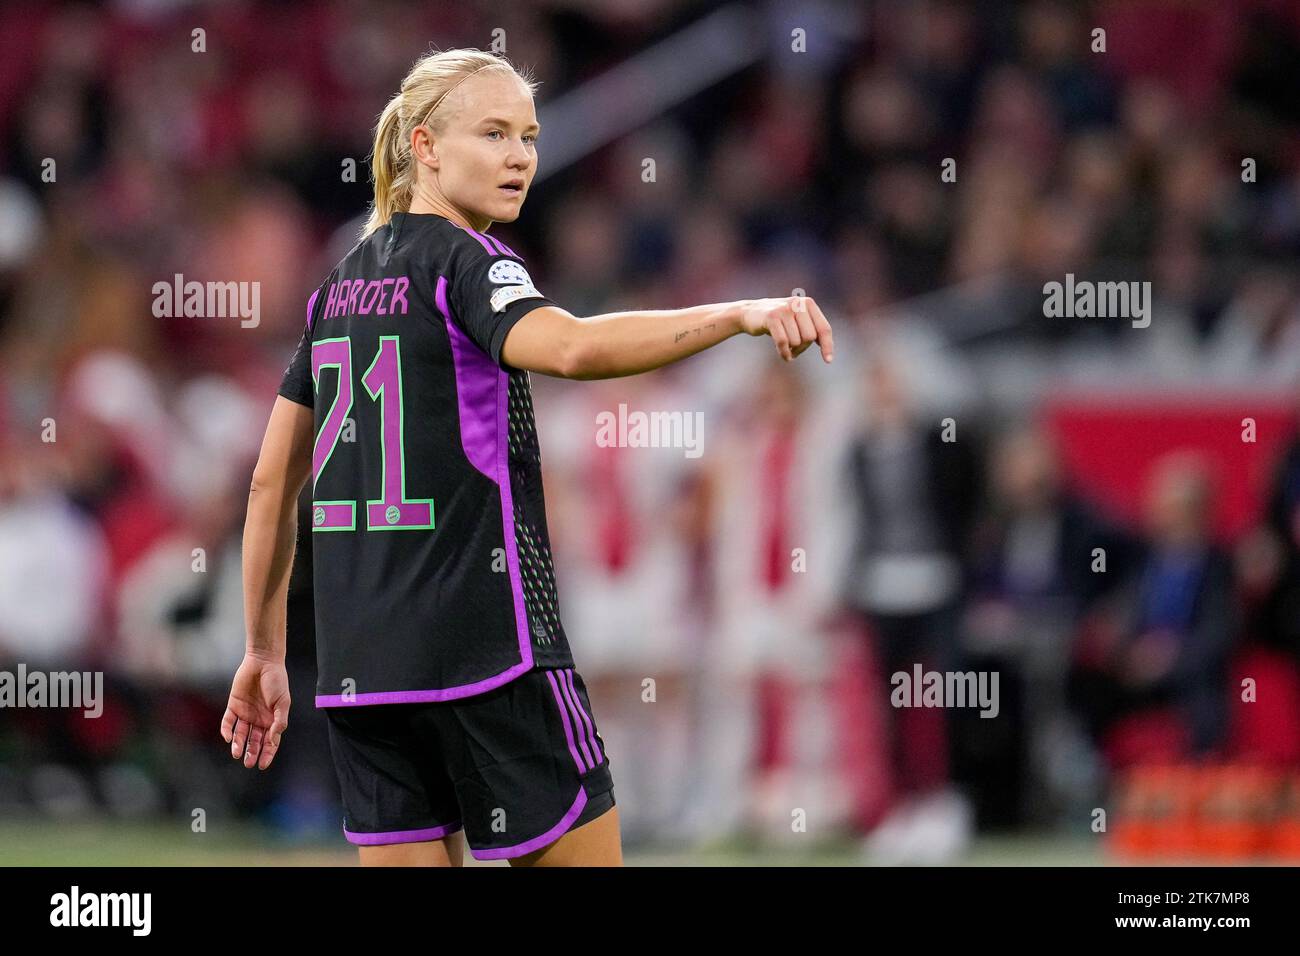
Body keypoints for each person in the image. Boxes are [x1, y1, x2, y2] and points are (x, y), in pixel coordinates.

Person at [219, 48, 834, 867]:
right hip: (491, 659)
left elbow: (270, 484)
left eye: (530, 137)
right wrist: (739, 313)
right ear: (427, 147)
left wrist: (262, 652)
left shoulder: (336, 290)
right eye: (494, 133)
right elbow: (573, 349)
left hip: (364, 674)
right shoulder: (471, 264)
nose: (519, 158)